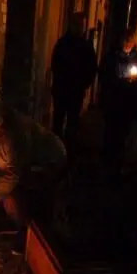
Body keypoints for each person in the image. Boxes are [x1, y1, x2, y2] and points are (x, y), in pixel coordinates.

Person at [0, 99, 68, 237]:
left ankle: (33, 235)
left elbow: (14, 174)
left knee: (19, 201)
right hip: (22, 165)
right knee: (4, 191)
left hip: (47, 160)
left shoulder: (10, 135)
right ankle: (22, 227)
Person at [99, 28, 137, 180]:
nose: (126, 43)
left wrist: (136, 82)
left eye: (129, 40)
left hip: (128, 105)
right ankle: (107, 164)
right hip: (113, 104)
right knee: (110, 134)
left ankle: (117, 165)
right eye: (124, 40)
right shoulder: (112, 58)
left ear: (134, 42)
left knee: (123, 136)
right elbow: (104, 76)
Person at [51, 12, 98, 162]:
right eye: (78, 25)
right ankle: (56, 151)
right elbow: (55, 65)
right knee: (58, 122)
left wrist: (83, 84)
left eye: (82, 25)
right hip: (63, 89)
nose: (80, 28)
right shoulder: (63, 44)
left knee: (72, 123)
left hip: (74, 90)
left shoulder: (84, 46)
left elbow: (91, 69)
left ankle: (68, 153)